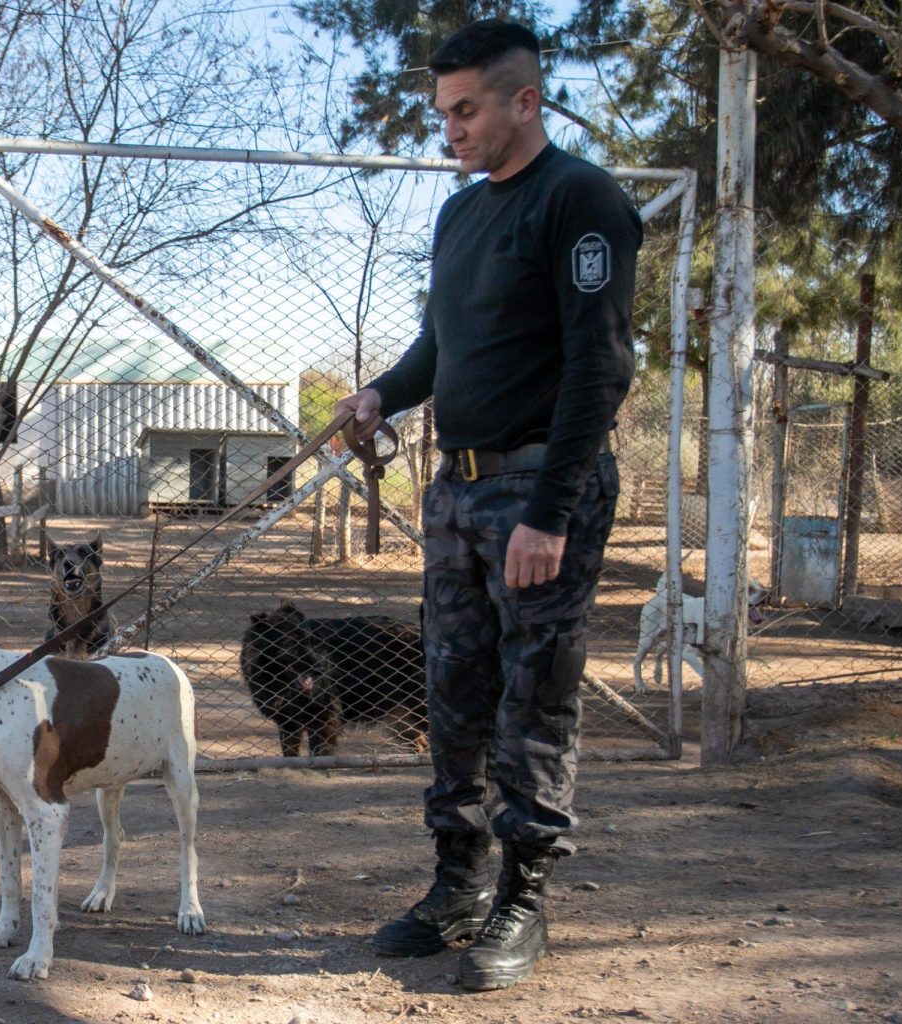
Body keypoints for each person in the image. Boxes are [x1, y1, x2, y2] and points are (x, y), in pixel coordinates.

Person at [335, 19, 642, 991]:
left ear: (525, 102)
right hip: (457, 485)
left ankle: (524, 896)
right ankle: (456, 881)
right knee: (453, 688)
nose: (450, 130)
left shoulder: (581, 200)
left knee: (534, 692)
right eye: (443, 113)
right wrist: (383, 392)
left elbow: (601, 365)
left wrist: (551, 513)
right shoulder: (462, 216)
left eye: (466, 111)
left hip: (542, 483)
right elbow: (441, 349)